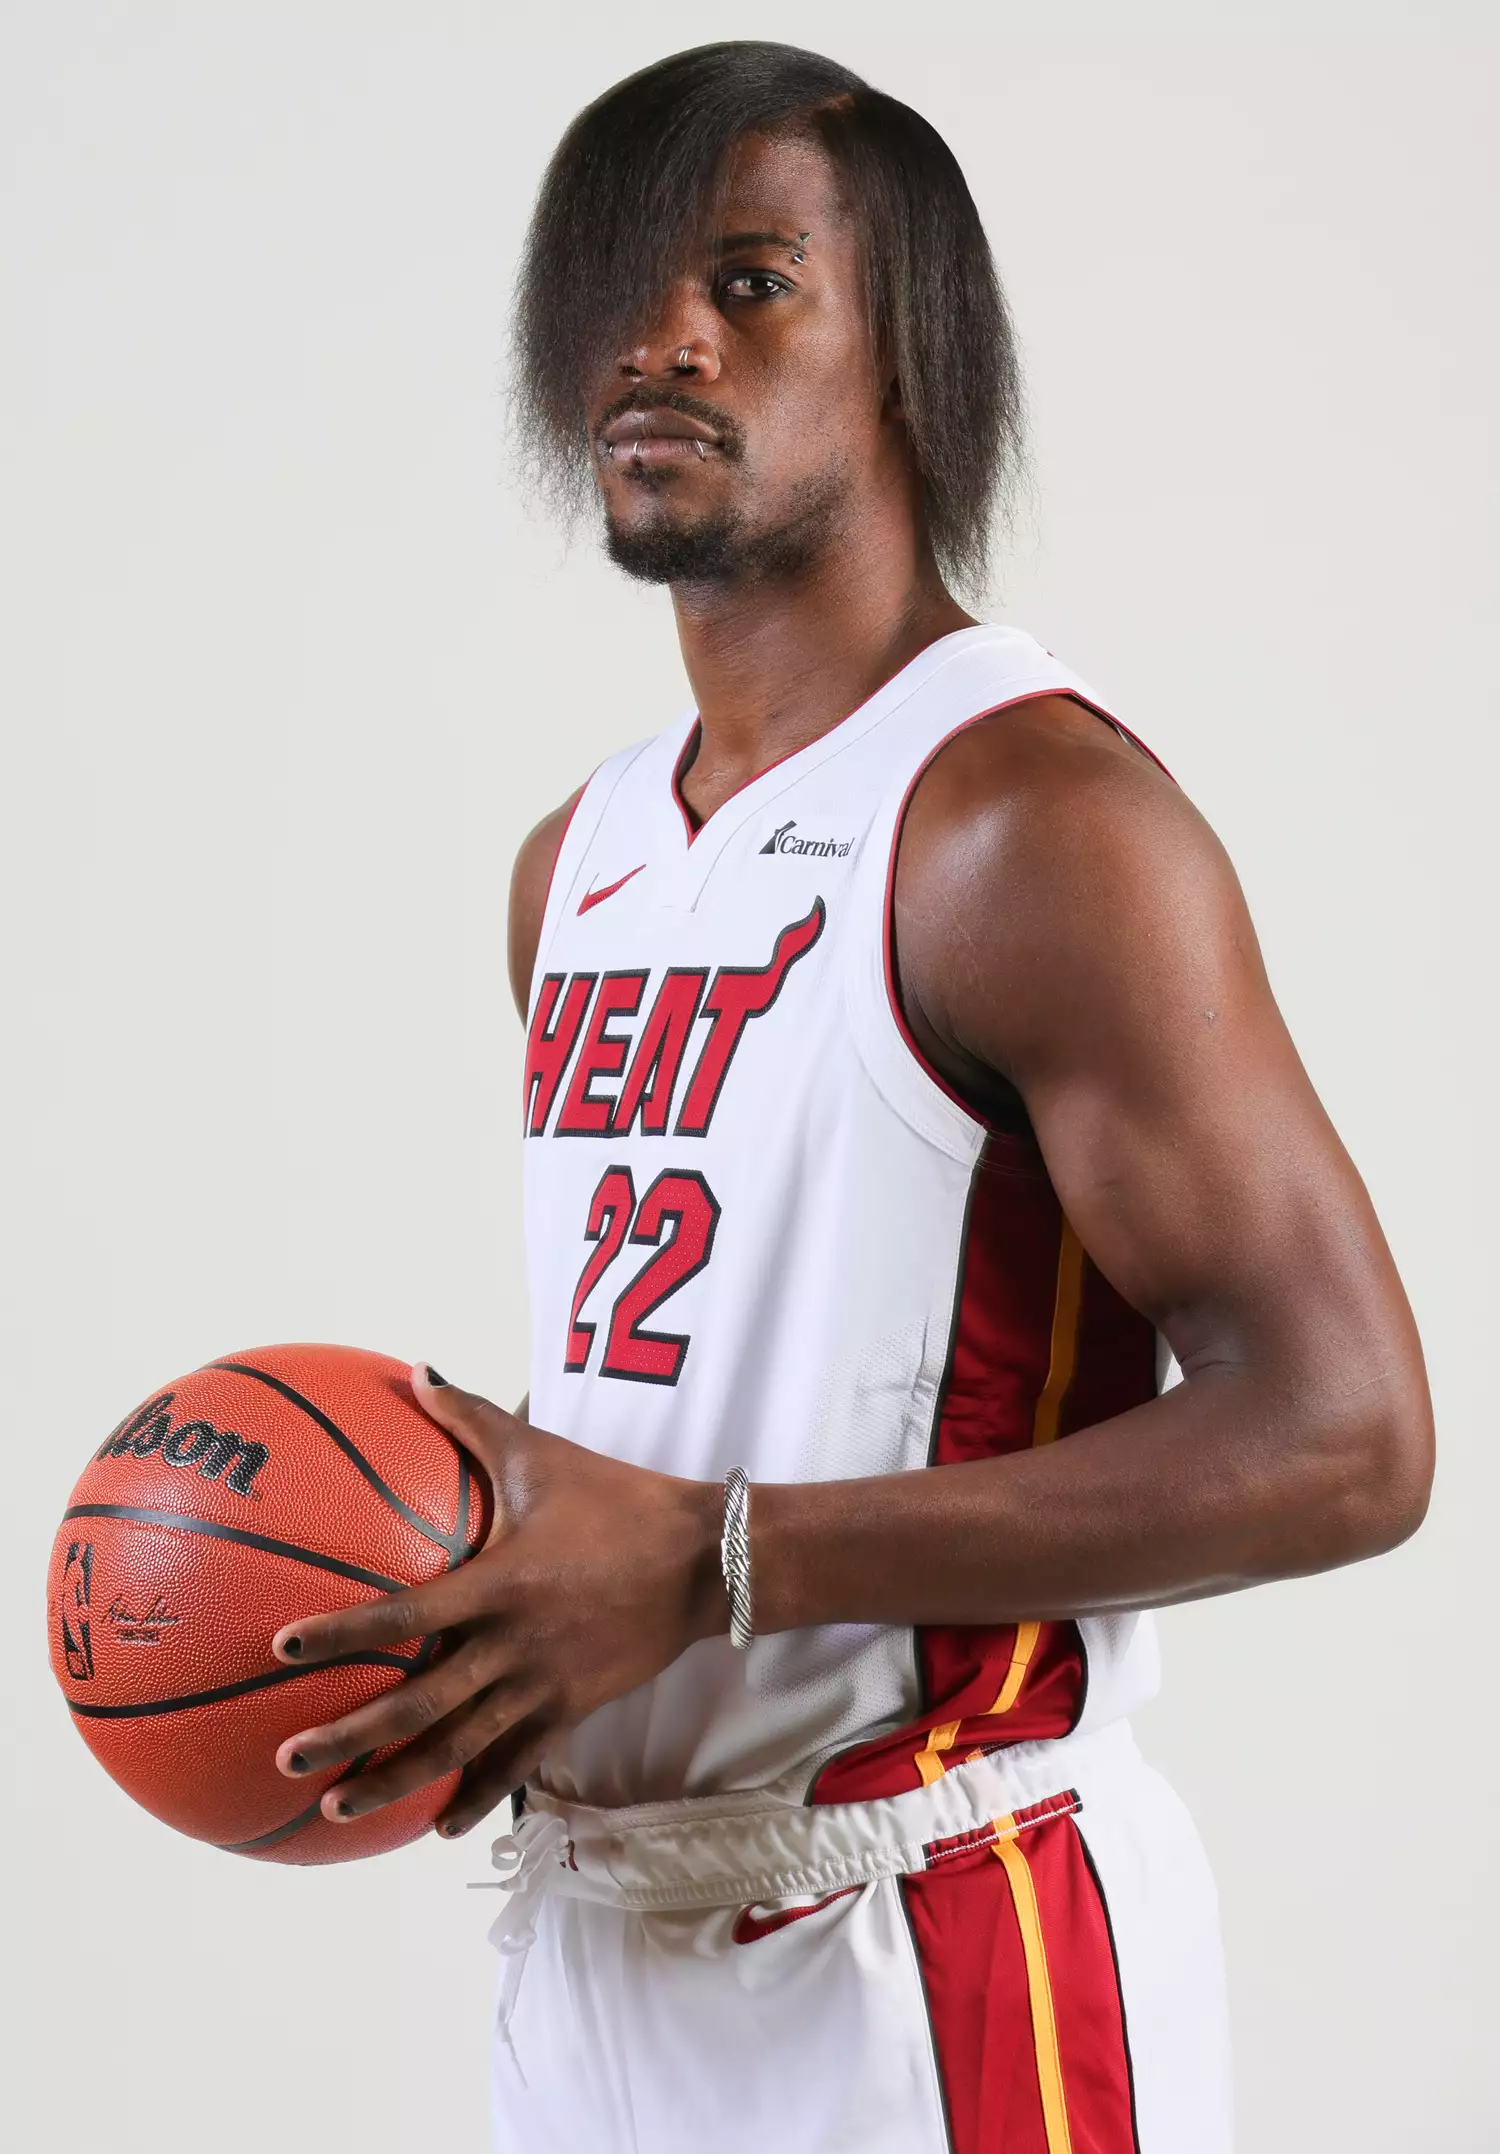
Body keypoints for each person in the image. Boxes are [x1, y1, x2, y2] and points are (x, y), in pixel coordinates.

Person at [266, 42, 1432, 2154]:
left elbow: (1352, 1436)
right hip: (607, 1958)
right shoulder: (580, 861)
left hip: (942, 1945)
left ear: (903, 360)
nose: (654, 341)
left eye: (747, 282)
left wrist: (712, 1561)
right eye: (614, 291)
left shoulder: (1032, 823)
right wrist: (478, 1582)